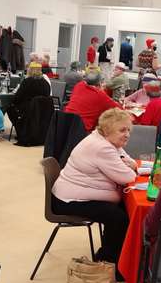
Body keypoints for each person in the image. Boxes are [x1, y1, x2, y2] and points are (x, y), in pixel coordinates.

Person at [52, 108, 137, 264]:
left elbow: (128, 161)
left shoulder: (107, 141)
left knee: (122, 211)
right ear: (107, 130)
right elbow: (128, 177)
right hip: (69, 200)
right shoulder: (102, 147)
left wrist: (130, 165)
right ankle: (109, 262)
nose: (127, 134)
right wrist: (131, 167)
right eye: (122, 130)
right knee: (119, 218)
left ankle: (110, 255)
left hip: (73, 194)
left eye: (129, 130)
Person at [8, 62, 50, 127]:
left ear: (30, 70)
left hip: (27, 111)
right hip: (43, 111)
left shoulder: (27, 82)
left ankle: (20, 130)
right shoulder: (46, 83)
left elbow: (17, 98)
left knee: (9, 107)